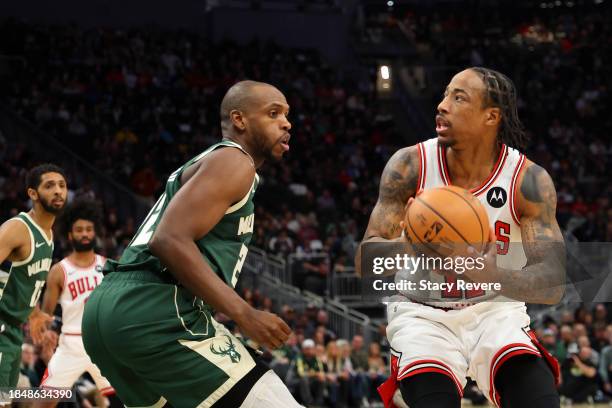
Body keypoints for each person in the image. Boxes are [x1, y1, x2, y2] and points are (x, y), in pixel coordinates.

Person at [82, 80, 302, 407]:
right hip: (154, 309)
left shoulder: (210, 162)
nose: (287, 123)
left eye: (286, 114)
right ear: (239, 120)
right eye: (273, 113)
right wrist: (245, 314)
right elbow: (168, 239)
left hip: (108, 309)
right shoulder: (234, 160)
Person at [356, 67, 566, 408]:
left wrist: (494, 276)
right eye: (444, 94)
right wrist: (410, 244)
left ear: (491, 116)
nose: (441, 105)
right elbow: (365, 263)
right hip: (422, 313)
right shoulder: (410, 165)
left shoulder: (527, 180)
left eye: (458, 98)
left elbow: (553, 283)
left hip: (494, 312)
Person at [35, 198, 115, 407]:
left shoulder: (106, 266)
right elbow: (46, 314)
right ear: (70, 235)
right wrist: (46, 336)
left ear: (95, 232)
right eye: (79, 230)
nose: (85, 234)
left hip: (103, 343)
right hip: (71, 343)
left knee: (128, 398)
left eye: (89, 229)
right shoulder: (59, 271)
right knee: (44, 401)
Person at [0, 164, 67, 387]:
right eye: (50, 186)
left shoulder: (47, 234)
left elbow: (25, 282)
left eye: (62, 185)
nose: (58, 190)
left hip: (13, 332)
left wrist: (35, 313)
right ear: (33, 194)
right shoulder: (18, 229)